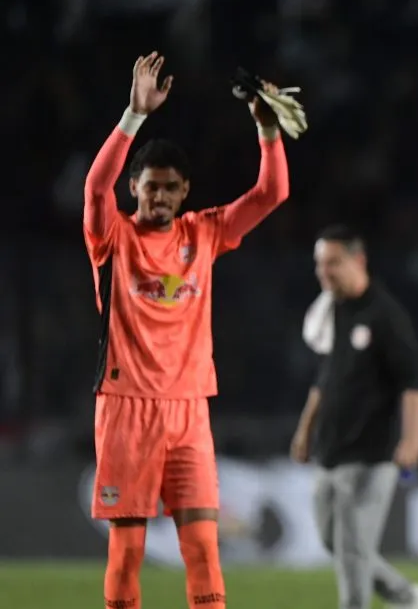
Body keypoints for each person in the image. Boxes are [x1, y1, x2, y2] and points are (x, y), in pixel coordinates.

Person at [85, 52, 289, 609]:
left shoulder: (205, 233)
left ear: (184, 192)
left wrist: (265, 126)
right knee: (127, 553)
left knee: (203, 547)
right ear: (135, 188)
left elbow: (272, 194)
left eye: (170, 189)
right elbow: (95, 187)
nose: (159, 198)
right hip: (126, 408)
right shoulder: (113, 239)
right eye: (149, 187)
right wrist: (133, 116)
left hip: (189, 410)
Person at [290, 225, 418, 609]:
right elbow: (325, 378)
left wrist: (411, 439)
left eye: (332, 263)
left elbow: (412, 381)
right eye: (319, 264)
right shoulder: (334, 310)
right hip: (331, 449)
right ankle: (407, 597)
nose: (324, 272)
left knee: (354, 546)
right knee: (332, 540)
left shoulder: (385, 315)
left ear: (358, 261)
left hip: (374, 453)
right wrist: (305, 429)